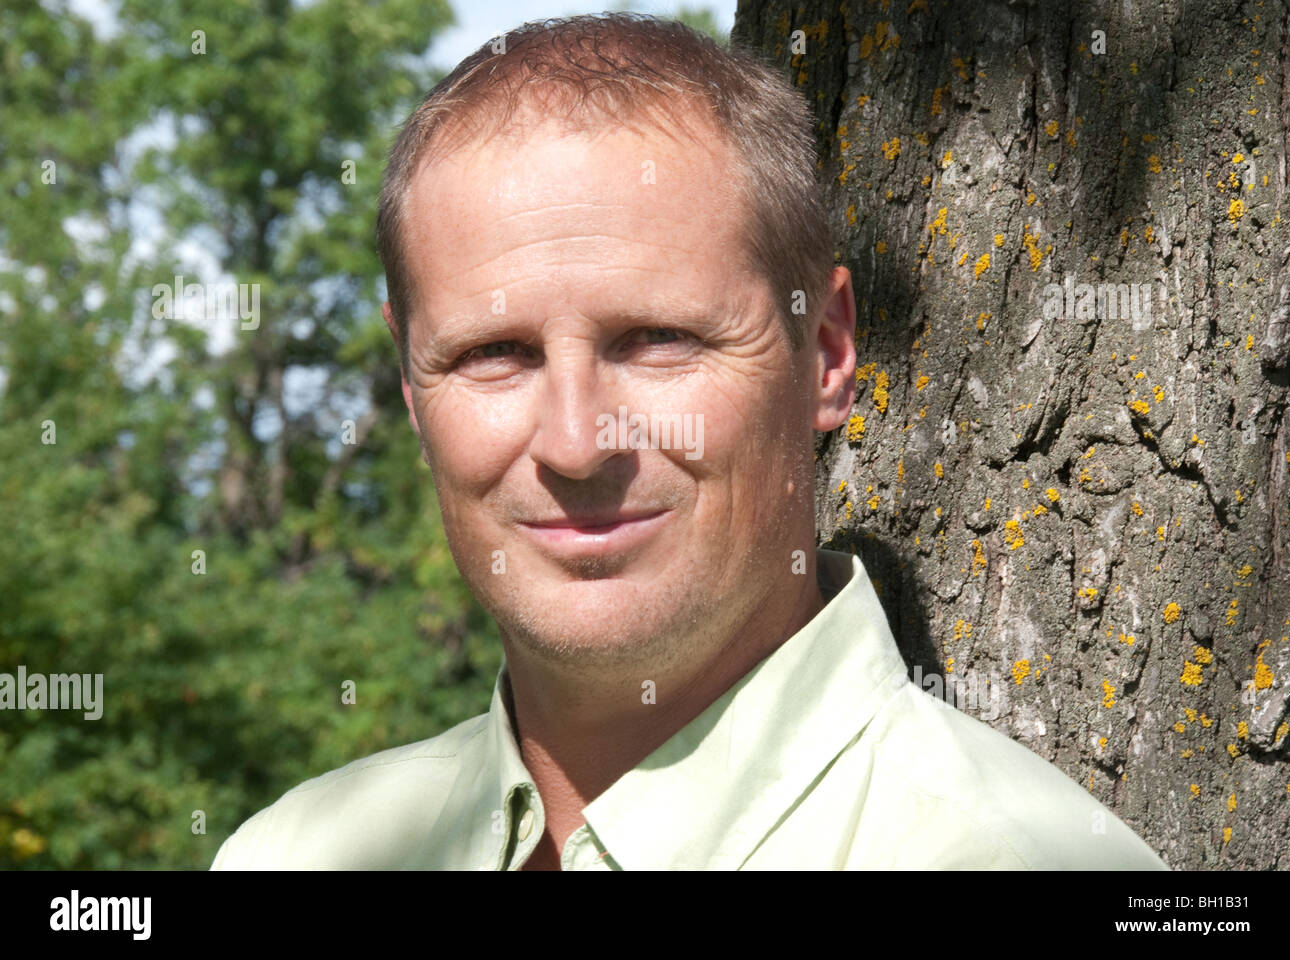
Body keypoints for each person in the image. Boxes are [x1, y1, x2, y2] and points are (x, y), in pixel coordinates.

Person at [211, 13, 1168, 870]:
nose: (578, 444)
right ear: (413, 395)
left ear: (825, 352)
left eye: (659, 341)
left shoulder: (1003, 858)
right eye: (494, 353)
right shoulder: (295, 852)